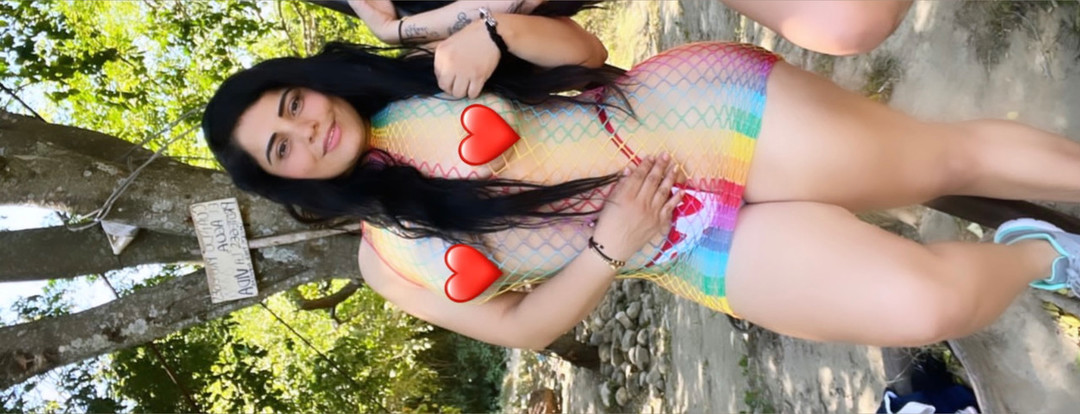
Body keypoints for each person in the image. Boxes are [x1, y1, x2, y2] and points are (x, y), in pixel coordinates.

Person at [201, 10, 1080, 350]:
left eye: (291, 103)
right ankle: (1044, 255)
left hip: (701, 120)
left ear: (307, 83)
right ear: (287, 184)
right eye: (282, 147)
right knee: (921, 309)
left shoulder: (426, 71)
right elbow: (522, 328)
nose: (306, 128)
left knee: (942, 160)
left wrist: (496, 34)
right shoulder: (387, 264)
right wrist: (606, 250)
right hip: (685, 247)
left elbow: (583, 51)